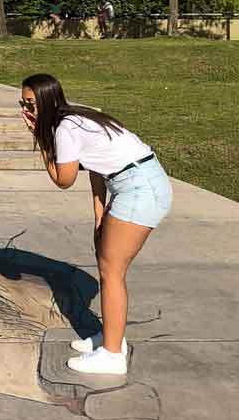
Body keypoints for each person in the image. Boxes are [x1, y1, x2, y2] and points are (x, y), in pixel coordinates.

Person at [19, 73, 172, 376]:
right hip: (134, 182)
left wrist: (39, 138)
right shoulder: (76, 118)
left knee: (111, 270)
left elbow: (64, 180)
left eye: (31, 104)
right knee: (107, 264)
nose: (26, 110)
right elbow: (95, 169)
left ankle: (113, 355)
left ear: (47, 102)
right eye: (22, 104)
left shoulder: (64, 129)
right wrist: (99, 217)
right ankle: (110, 337)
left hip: (140, 188)